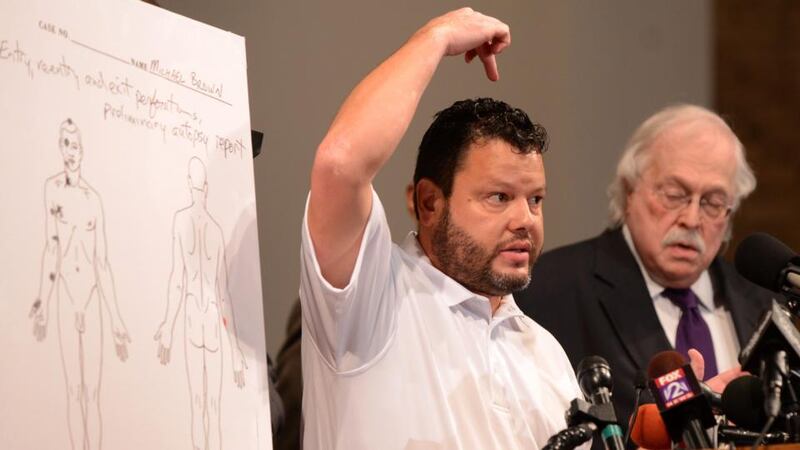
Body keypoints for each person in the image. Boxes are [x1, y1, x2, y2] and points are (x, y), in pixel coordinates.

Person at [300, 8, 584, 450]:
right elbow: (340, 163)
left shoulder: (547, 354)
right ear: (430, 203)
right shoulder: (371, 296)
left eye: (535, 200)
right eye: (499, 197)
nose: (525, 220)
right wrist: (438, 35)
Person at [515, 104, 774, 439]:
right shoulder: (549, 291)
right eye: (674, 195)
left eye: (712, 202)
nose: (692, 219)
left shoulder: (761, 301)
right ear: (629, 191)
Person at [29, 118, 131, 450]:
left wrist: (116, 319)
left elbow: (102, 262)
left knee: (92, 394)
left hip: (90, 295)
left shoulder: (93, 199)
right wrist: (43, 301)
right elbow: (51, 247)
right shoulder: (52, 189)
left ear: (83, 150)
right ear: (59, 147)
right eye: (65, 144)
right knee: (73, 390)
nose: (70, 151)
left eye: (75, 145)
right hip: (65, 293)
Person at [154, 156, 247, 450]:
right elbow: (223, 295)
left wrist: (168, 327)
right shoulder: (217, 231)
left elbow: (178, 280)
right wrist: (235, 349)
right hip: (211, 321)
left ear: (189, 184)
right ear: (206, 187)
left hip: (195, 318)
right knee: (212, 408)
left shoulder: (182, 222)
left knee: (200, 406)